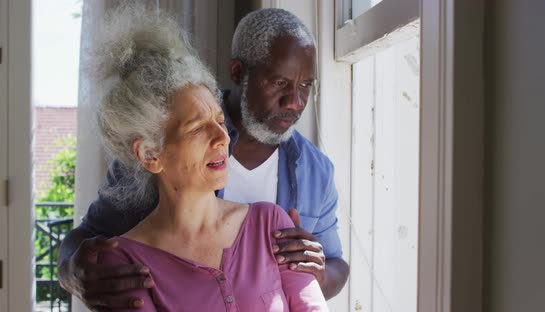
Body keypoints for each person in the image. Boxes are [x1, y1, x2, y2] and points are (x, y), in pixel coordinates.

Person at [58, 7, 350, 310]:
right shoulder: (156, 140)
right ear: (238, 72)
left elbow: (334, 264)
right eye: (279, 83)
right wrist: (71, 272)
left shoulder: (315, 173)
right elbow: (86, 237)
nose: (295, 102)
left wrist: (317, 273)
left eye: (306, 85)